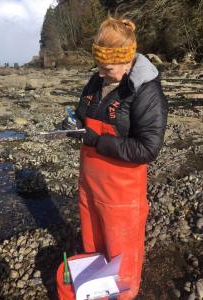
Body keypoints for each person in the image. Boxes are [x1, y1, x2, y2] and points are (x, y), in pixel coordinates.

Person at [62, 16, 168, 299]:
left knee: (123, 254)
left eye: (107, 68)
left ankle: (124, 294)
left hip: (122, 192)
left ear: (127, 60)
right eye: (98, 66)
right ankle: (96, 288)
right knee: (93, 240)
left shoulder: (146, 91)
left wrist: (98, 141)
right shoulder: (98, 79)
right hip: (90, 183)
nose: (101, 73)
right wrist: (73, 124)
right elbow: (84, 114)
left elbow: (148, 149)